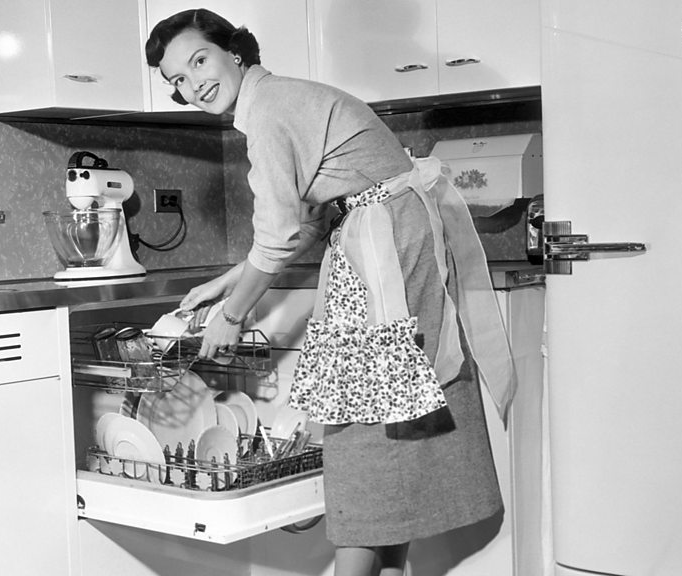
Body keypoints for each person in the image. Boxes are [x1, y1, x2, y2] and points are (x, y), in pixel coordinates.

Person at [146, 9, 516, 576]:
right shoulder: (280, 98)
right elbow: (312, 221)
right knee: (390, 416)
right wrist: (225, 284)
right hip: (395, 239)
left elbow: (279, 236)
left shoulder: (268, 112)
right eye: (178, 79)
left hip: (385, 249)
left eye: (199, 61)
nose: (193, 84)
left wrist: (233, 316)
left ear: (234, 51)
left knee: (363, 429)